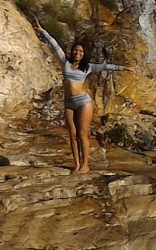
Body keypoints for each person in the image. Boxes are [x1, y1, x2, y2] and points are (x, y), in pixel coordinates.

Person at [38, 28, 121, 174]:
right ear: (72, 51)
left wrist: (124, 68)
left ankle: (86, 164)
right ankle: (76, 164)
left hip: (83, 102)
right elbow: (55, 45)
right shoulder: (65, 62)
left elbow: (105, 66)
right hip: (69, 103)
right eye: (76, 50)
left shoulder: (88, 67)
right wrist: (43, 31)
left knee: (82, 134)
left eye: (81, 52)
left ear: (84, 55)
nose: (78, 53)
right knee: (72, 134)